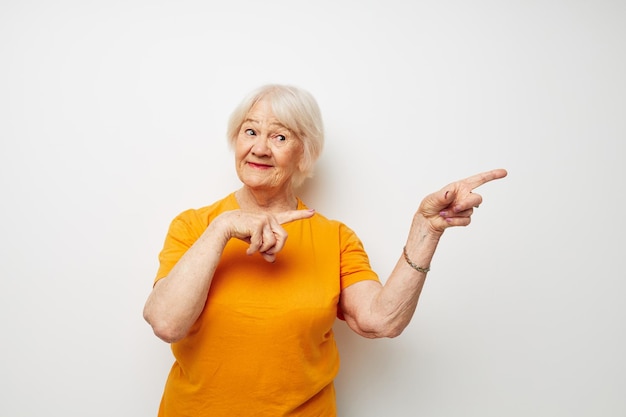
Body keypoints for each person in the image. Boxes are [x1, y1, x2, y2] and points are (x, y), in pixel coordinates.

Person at [143, 84, 507, 416]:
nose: (259, 148)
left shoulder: (335, 238)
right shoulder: (194, 226)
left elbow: (381, 320)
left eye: (279, 136)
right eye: (250, 131)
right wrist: (222, 228)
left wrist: (425, 230)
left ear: (304, 152)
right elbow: (166, 322)